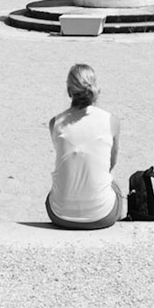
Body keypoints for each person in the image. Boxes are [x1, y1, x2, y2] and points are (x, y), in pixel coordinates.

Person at [46, 63, 124, 229]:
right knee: (114, 186)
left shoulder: (56, 123)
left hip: (60, 214)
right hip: (102, 215)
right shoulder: (111, 121)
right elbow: (112, 163)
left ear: (69, 91)